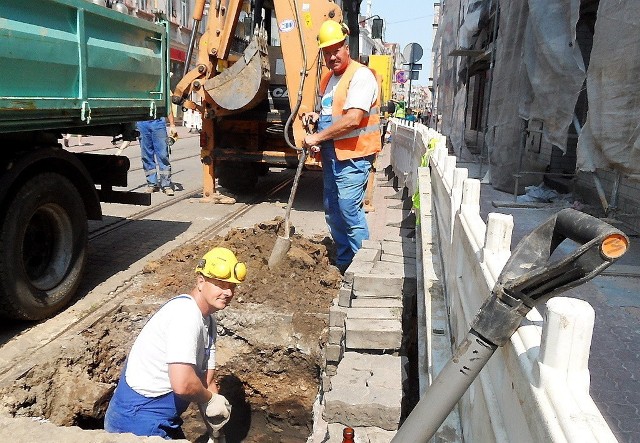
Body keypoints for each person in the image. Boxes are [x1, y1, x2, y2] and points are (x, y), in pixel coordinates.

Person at [104, 247, 246, 439]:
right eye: (220, 284)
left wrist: (216, 430)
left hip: (161, 418)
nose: (228, 292)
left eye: (232, 286)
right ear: (201, 282)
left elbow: (206, 381)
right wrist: (212, 400)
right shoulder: (185, 315)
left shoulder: (208, 320)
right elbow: (183, 384)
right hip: (136, 421)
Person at [302, 20, 382, 274]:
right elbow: (332, 113)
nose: (332, 56)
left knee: (349, 209)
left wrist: (316, 138)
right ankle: (346, 261)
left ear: (347, 48)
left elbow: (353, 119)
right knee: (333, 209)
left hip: (354, 155)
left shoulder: (360, 76)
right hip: (333, 154)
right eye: (327, 52)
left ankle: (365, 268)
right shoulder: (328, 80)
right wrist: (316, 118)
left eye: (336, 50)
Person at [137, 109, 176, 195]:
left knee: (163, 155)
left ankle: (166, 185)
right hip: (142, 123)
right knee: (146, 155)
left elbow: (168, 106)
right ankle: (152, 184)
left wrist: (172, 125)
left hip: (158, 122)